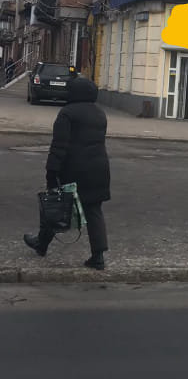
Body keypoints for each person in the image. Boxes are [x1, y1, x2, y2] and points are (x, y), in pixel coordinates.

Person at [24, 77, 111, 270]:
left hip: (74, 169)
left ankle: (41, 243)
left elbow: (59, 146)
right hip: (99, 169)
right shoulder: (100, 113)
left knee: (55, 206)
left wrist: (51, 171)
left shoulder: (67, 113)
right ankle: (98, 256)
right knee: (94, 210)